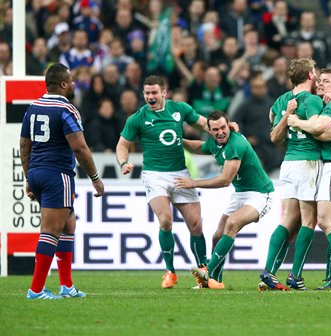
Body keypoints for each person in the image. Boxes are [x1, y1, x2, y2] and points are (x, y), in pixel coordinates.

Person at [259, 59, 331, 291]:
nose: (320, 80)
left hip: (288, 162)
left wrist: (288, 117)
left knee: (289, 220)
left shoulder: (282, 100)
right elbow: (317, 127)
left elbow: (272, 124)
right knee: (310, 221)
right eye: (317, 75)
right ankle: (296, 275)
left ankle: (270, 271)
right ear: (311, 74)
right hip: (309, 162)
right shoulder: (313, 100)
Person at [115, 75, 210, 289]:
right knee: (166, 220)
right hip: (154, 175)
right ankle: (170, 271)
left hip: (180, 173)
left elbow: (204, 124)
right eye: (147, 93)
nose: (150, 96)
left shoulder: (180, 109)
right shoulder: (137, 118)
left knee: (196, 224)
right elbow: (122, 145)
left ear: (164, 93)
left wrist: (224, 131)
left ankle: (203, 271)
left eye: (154, 93)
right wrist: (123, 162)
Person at [21, 63, 105, 300]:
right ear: (62, 84)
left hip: (37, 172)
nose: (74, 84)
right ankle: (36, 289)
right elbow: (79, 147)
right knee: (50, 231)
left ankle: (66, 285)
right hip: (57, 175)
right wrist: (95, 178)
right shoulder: (66, 109)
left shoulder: (33, 107)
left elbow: (24, 145)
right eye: (71, 80)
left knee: (69, 224)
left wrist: (29, 176)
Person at [176, 111, 274, 289]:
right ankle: (216, 281)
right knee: (217, 236)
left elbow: (225, 180)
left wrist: (193, 183)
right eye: (215, 129)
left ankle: (208, 273)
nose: (220, 132)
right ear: (209, 131)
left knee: (232, 224)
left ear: (229, 125)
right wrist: (178, 141)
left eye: (223, 127)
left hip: (261, 194)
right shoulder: (215, 143)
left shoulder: (234, 145)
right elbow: (199, 147)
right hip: (240, 193)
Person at [287, 68, 331, 290]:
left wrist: (296, 122)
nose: (320, 84)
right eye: (319, 81)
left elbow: (319, 130)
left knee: (325, 221)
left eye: (326, 81)